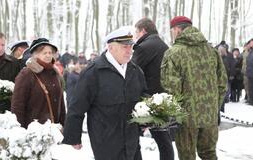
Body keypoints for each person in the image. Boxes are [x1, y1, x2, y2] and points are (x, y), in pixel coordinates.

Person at [62, 27, 147, 160]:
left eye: (131, 47)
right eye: (125, 47)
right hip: (105, 139)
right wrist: (73, 136)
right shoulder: (94, 72)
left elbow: (143, 96)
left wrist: (147, 118)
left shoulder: (135, 71)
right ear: (111, 47)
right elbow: (77, 105)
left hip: (131, 139)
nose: (130, 51)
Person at [160, 16, 227, 160]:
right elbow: (222, 83)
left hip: (186, 119)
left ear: (177, 29)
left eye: (172, 30)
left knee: (186, 157)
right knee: (209, 154)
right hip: (210, 116)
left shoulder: (173, 53)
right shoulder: (212, 51)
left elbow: (172, 89)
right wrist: (214, 107)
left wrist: (174, 113)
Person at [132, 18, 174, 160]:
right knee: (163, 140)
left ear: (143, 30)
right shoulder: (163, 45)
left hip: (146, 99)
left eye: (136, 32)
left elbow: (131, 71)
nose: (135, 36)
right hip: (162, 98)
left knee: (131, 138)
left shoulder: (144, 47)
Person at [11, 38, 66, 128]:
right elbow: (18, 105)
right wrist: (20, 130)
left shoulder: (55, 73)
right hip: (34, 132)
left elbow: (61, 104)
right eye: (44, 53)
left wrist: (64, 126)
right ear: (36, 55)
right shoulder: (27, 74)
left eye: (50, 53)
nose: (48, 55)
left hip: (55, 131)